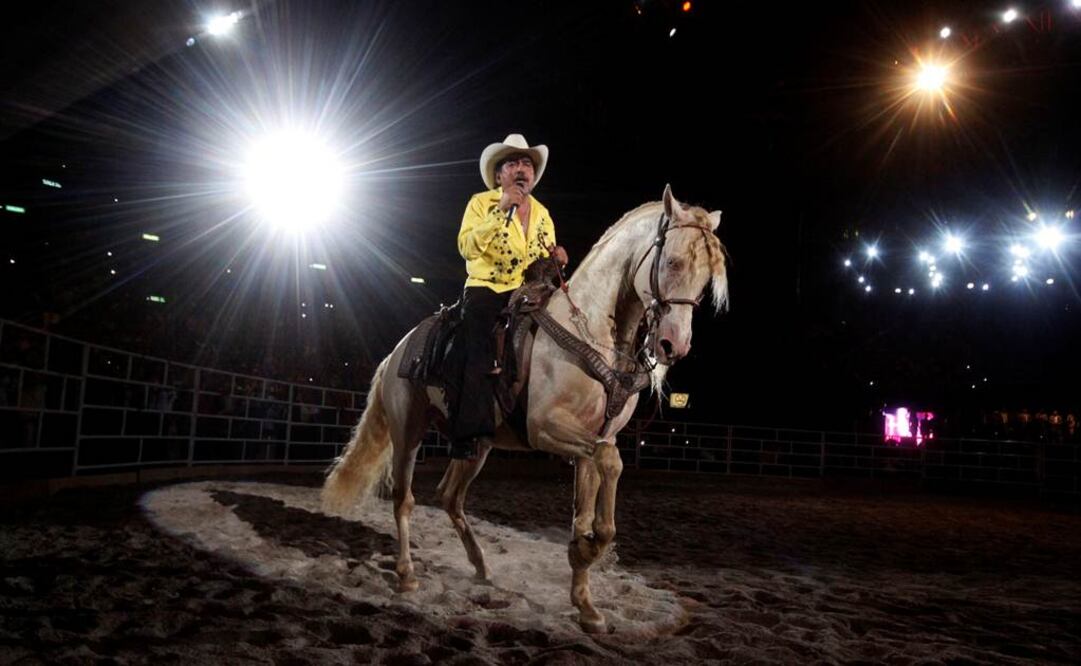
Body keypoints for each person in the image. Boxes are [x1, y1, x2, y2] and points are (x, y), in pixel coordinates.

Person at [447, 133, 568, 459]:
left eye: (526, 163)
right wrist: (500, 210)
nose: (520, 168)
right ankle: (469, 433)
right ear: (499, 175)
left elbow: (540, 262)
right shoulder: (480, 203)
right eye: (512, 163)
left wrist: (554, 259)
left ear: (533, 174)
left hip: (529, 292)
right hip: (488, 287)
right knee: (480, 344)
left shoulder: (543, 213)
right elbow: (466, 247)